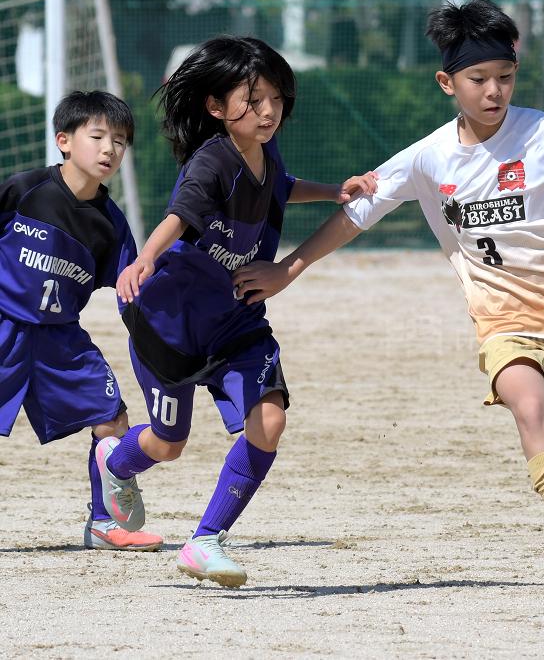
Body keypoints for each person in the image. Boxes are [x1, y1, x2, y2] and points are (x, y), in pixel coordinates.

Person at [232, 0, 544, 596]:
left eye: (505, 77)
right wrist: (287, 268)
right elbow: (355, 217)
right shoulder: (429, 157)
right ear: (447, 82)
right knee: (532, 412)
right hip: (503, 319)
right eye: (479, 80)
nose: (494, 91)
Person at [109, 36, 376, 588]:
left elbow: (279, 188)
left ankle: (205, 540)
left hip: (237, 321)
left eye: (276, 98)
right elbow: (180, 217)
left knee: (270, 418)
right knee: (168, 442)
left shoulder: (266, 151)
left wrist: (333, 192)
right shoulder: (211, 163)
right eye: (253, 100)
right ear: (216, 107)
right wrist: (145, 260)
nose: (269, 111)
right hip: (172, 325)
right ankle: (114, 463)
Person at [0, 91, 163, 551]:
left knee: (112, 420)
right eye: (97, 136)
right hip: (4, 327)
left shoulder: (111, 223)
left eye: (120, 140)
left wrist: (163, 340)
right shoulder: (24, 191)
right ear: (64, 141)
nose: (110, 149)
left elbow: (132, 293)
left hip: (61, 340)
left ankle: (103, 524)